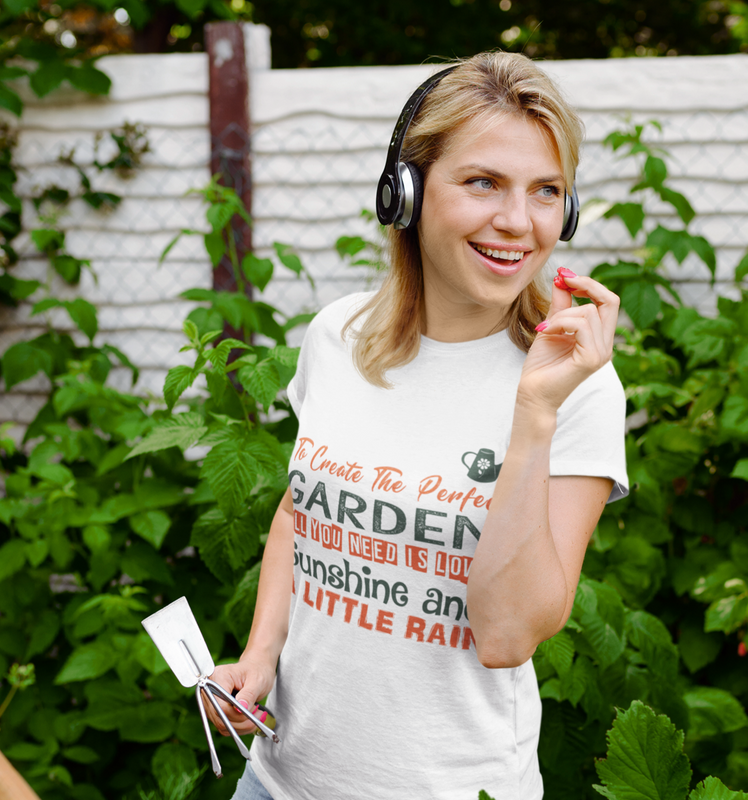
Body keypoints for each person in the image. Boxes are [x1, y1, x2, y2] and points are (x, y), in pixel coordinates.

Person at [207, 51, 628, 800]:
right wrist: (259, 653)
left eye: (545, 192)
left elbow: (506, 636)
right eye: (482, 182)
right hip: (276, 783)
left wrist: (533, 414)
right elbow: (302, 511)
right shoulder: (337, 335)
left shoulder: (577, 387)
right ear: (405, 190)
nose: (517, 222)